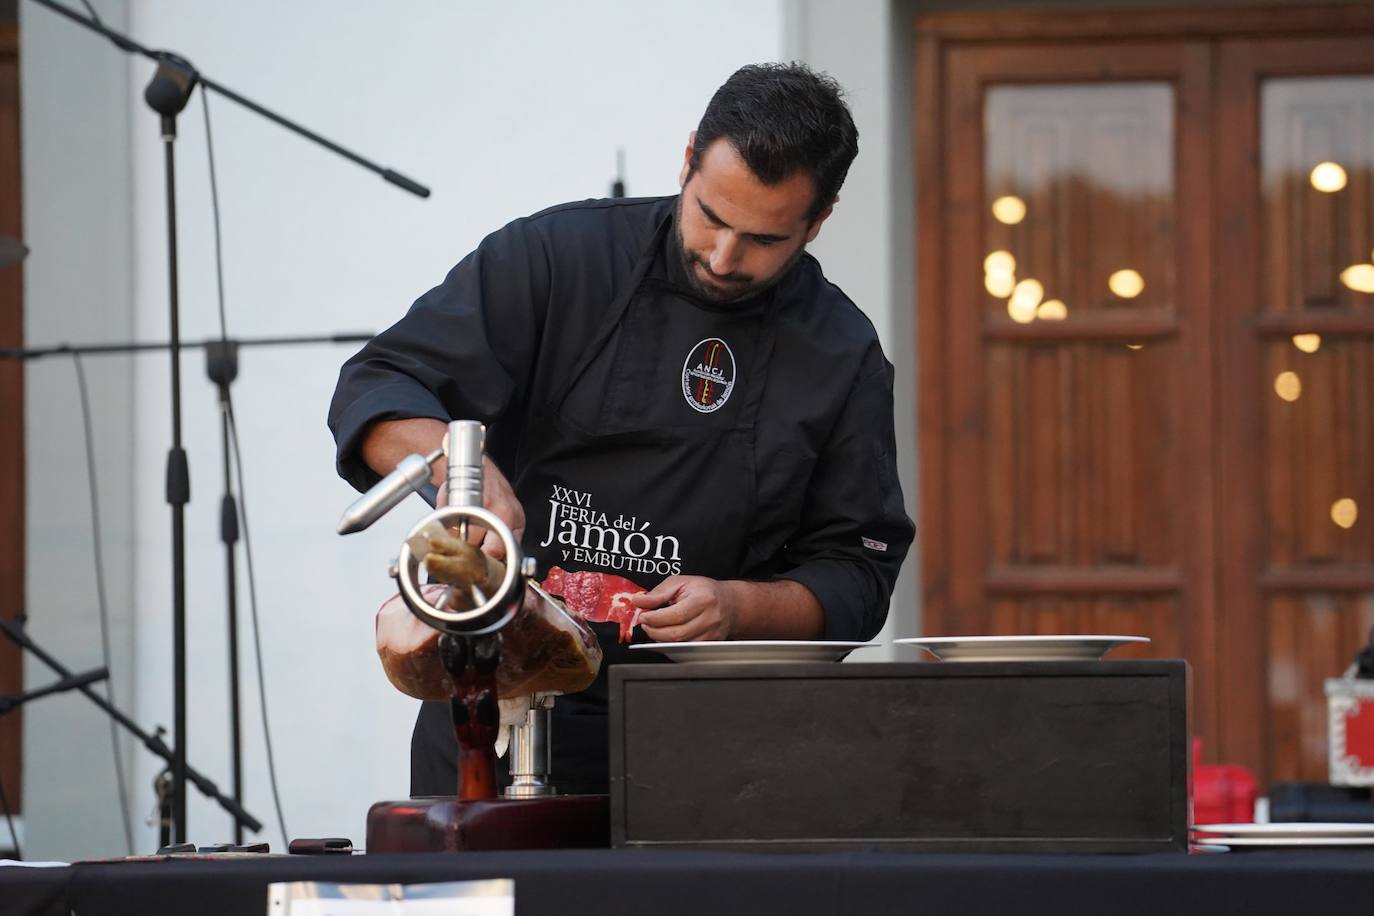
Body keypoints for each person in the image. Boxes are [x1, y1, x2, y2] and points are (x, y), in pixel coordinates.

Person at [329, 62, 914, 796]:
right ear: (689, 155)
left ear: (818, 221)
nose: (724, 258)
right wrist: (460, 475)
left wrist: (741, 607)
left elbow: (857, 573)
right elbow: (377, 386)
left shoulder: (841, 355)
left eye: (763, 239)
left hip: (710, 754)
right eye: (710, 215)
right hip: (496, 716)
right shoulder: (557, 260)